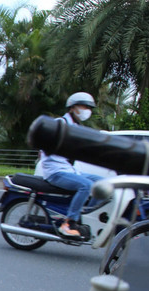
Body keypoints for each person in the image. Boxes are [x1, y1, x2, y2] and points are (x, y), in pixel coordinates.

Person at [40, 92, 104, 238]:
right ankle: (69, 222)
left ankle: (87, 214)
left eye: (90, 108)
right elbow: (44, 144)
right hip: (56, 170)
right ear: (72, 108)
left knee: (103, 183)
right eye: (84, 106)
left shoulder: (76, 127)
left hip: (70, 170)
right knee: (86, 185)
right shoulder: (60, 124)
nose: (88, 110)